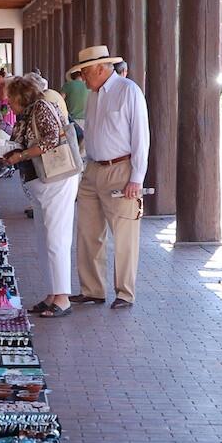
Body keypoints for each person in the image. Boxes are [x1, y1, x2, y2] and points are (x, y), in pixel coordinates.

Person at [68, 46, 149, 309]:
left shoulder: (128, 91)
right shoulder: (93, 95)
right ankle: (93, 289)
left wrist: (136, 177)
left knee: (124, 234)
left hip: (121, 169)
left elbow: (140, 137)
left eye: (85, 71)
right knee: (88, 232)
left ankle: (124, 293)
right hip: (92, 169)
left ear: (101, 68)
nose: (82, 76)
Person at [4, 77, 78, 318]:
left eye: (10, 100)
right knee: (44, 239)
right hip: (41, 182)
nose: (8, 104)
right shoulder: (27, 113)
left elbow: (51, 139)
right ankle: (52, 293)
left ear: (20, 97)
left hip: (56, 180)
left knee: (56, 238)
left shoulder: (42, 107)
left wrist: (22, 154)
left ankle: (63, 298)